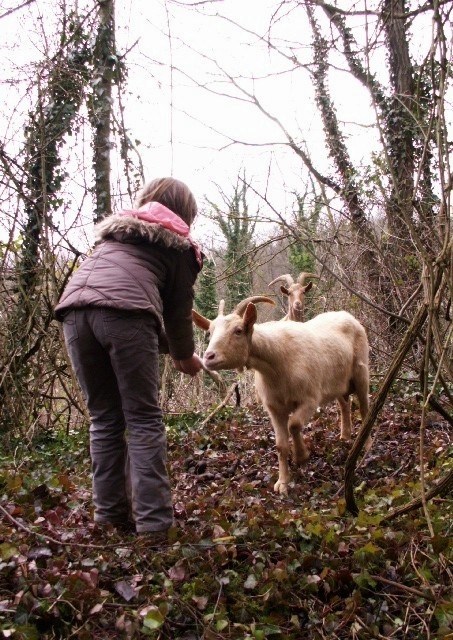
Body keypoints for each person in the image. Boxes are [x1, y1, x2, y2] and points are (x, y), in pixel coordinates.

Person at [55, 177, 204, 538]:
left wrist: (171, 348)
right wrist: (185, 356)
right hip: (125, 315)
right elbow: (176, 314)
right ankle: (154, 526)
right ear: (185, 213)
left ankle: (110, 519)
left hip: (74, 312)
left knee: (104, 418)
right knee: (143, 419)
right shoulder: (179, 246)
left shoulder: (114, 236)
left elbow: (135, 310)